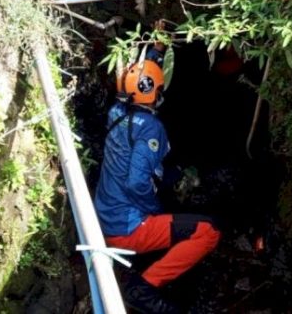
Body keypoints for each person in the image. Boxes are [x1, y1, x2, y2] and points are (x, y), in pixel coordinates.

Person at [94, 32, 221, 313]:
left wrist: (157, 51)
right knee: (208, 231)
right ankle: (144, 288)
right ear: (157, 93)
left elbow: (141, 81)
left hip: (105, 216)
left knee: (171, 177)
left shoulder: (117, 111)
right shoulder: (151, 129)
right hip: (126, 229)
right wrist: (154, 210)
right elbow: (138, 182)